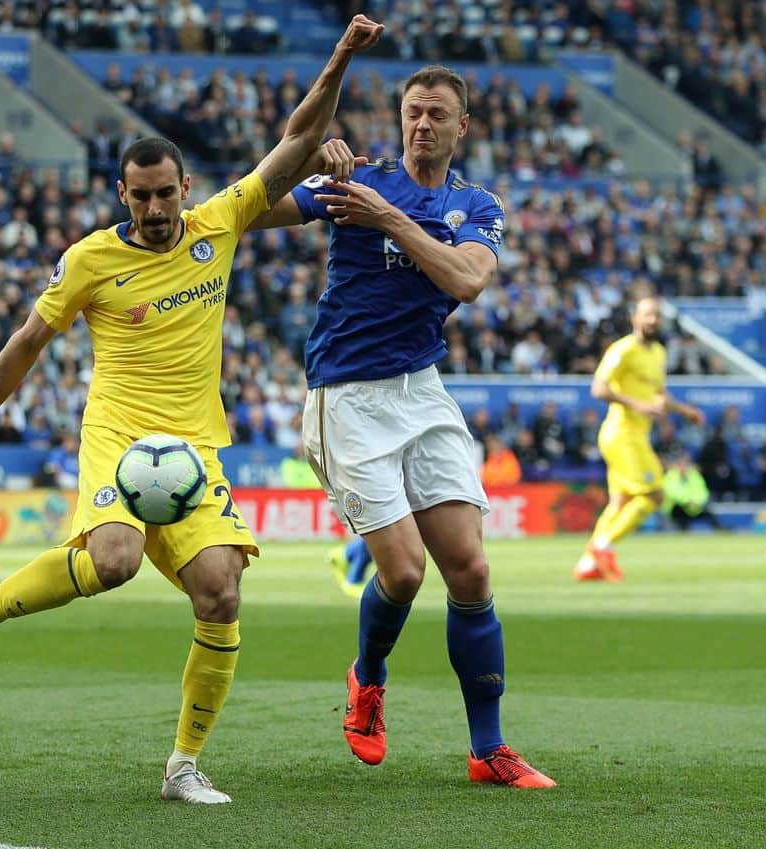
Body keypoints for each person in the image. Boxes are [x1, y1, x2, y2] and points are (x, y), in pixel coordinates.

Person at [0, 15, 384, 805]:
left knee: (222, 590)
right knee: (114, 562)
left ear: (185, 189)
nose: (158, 208)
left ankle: (182, 767)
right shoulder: (91, 259)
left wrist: (338, 56)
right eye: (144, 196)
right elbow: (28, 341)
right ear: (122, 194)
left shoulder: (220, 225)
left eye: (168, 193)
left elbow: (300, 135)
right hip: (119, 433)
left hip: (193, 445)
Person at [249, 65, 554, 787]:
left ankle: (487, 749)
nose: (423, 123)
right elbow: (251, 208)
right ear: (400, 116)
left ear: (461, 126)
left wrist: (387, 219)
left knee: (473, 570)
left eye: (437, 113)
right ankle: (369, 677)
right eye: (413, 111)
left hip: (421, 389)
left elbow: (466, 279)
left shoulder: (475, 204)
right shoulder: (355, 181)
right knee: (405, 569)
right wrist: (304, 154)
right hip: (347, 394)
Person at [574, 297, 705, 582]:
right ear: (635, 318)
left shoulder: (658, 352)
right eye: (647, 314)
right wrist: (637, 405)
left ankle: (587, 565)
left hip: (637, 436)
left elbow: (658, 396)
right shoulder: (623, 350)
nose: (653, 320)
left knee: (620, 503)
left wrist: (685, 411)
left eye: (657, 315)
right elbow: (598, 388)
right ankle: (602, 547)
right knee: (654, 495)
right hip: (621, 434)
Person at [661, 451, 723, 531]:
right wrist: (687, 501)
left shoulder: (694, 475)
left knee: (709, 513)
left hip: (694, 507)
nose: (684, 467)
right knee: (681, 521)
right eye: (681, 464)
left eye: (686, 464)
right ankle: (681, 530)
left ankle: (720, 529)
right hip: (676, 509)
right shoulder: (670, 476)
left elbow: (703, 491)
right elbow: (673, 492)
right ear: (677, 465)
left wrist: (696, 501)